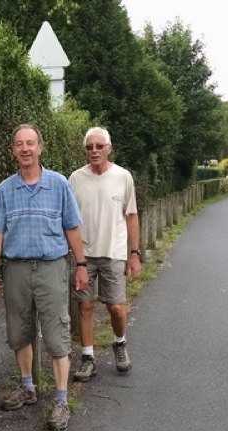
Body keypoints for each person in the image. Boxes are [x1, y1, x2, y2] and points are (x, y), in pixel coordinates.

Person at [0, 124, 89, 431]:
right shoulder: (4, 190)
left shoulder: (58, 185)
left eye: (30, 143)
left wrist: (81, 264)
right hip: (16, 269)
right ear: (14, 150)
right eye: (19, 144)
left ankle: (60, 399)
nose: (25, 149)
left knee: (56, 332)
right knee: (19, 329)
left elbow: (72, 228)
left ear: (40, 148)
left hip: (51, 267)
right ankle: (27, 387)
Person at [68, 127, 141, 381]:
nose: (94, 151)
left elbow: (131, 216)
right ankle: (88, 357)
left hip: (114, 252)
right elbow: (69, 219)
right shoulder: (75, 179)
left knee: (116, 307)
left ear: (109, 148)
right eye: (89, 147)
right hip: (84, 254)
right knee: (85, 306)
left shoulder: (123, 177)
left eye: (99, 146)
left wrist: (134, 253)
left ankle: (119, 343)